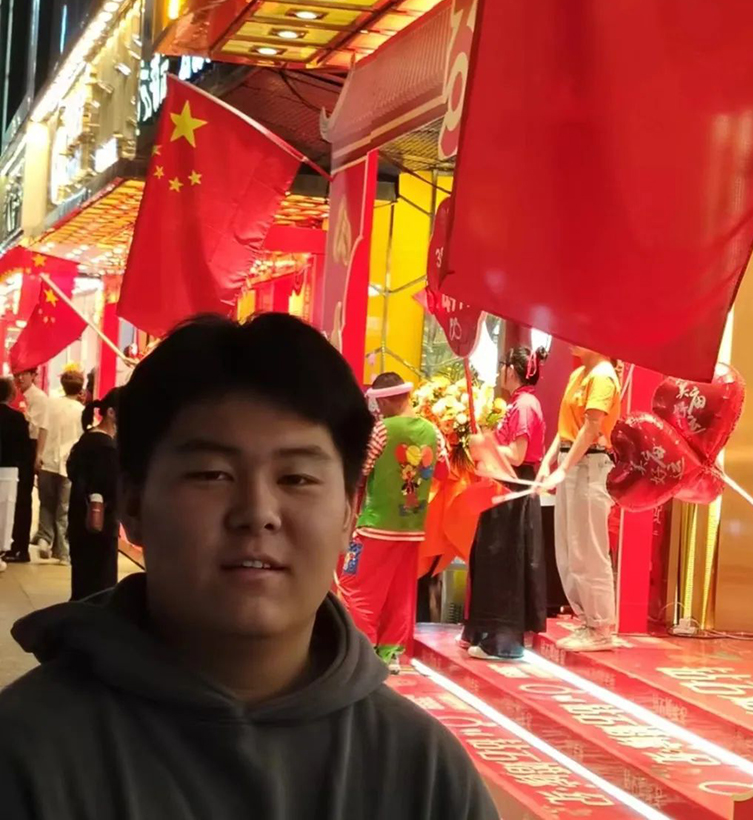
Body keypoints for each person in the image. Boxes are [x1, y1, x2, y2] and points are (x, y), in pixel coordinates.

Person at [0, 314, 497, 820]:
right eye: (212, 474)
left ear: (350, 512)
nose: (258, 512)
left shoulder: (425, 776)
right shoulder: (24, 757)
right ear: (132, 504)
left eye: (297, 478)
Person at [339, 372, 448, 672]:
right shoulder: (434, 432)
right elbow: (444, 471)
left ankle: (362, 650)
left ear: (385, 401)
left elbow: (360, 471)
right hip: (412, 528)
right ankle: (391, 653)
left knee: (356, 587)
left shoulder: (382, 430)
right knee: (400, 592)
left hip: (375, 525)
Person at [463, 346, 550, 661]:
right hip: (503, 485)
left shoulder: (524, 405)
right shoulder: (519, 402)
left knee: (504, 562)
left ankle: (502, 643)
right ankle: (488, 634)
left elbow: (517, 454)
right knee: (492, 559)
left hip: (513, 489)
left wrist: (485, 445)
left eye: (503, 366)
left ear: (511, 371)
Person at [536, 346, 622, 653]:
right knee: (570, 548)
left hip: (590, 465)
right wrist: (549, 462)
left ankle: (600, 626)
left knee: (589, 549)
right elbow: (566, 429)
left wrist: (563, 468)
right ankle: (588, 621)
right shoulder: (579, 374)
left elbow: (591, 428)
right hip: (573, 461)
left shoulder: (602, 376)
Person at [67, 388, 121, 601]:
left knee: (82, 580)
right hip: (100, 525)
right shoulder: (105, 447)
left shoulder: (87, 439)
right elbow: (110, 485)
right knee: (100, 585)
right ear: (111, 413)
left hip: (80, 519)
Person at [33, 366, 85, 564]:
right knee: (64, 509)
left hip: (48, 461)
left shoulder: (51, 404)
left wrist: (38, 455)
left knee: (46, 503)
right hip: (68, 466)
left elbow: (43, 430)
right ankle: (62, 551)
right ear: (80, 388)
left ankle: (44, 539)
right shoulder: (81, 411)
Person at [2, 368, 49, 563]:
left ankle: (20, 547)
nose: (19, 378)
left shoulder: (39, 398)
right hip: (13, 450)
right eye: (16, 375)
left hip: (26, 450)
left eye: (24, 374)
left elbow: (41, 429)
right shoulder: (15, 398)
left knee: (21, 500)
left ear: (33, 375)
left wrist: (38, 455)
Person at [0, 378, 33, 572]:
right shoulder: (17, 418)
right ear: (11, 395)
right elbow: (24, 449)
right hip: (10, 470)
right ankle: (3, 549)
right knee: (6, 510)